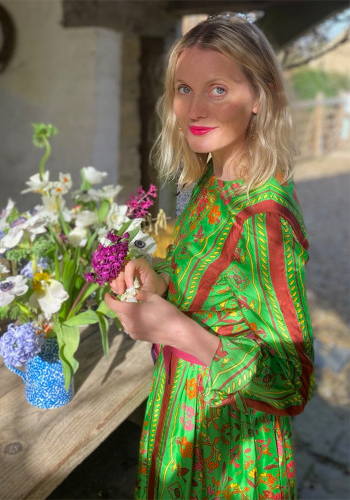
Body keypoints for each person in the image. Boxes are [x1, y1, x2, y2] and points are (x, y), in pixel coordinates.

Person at [105, 14, 315, 500]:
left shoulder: (265, 219)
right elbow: (205, 281)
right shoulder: (207, 183)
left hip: (231, 447)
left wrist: (175, 331)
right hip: (178, 416)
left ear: (259, 97)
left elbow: (291, 382)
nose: (194, 108)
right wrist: (158, 279)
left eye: (217, 89)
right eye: (184, 88)